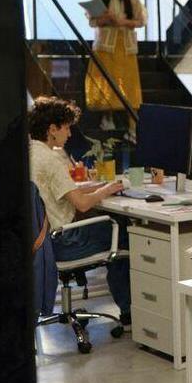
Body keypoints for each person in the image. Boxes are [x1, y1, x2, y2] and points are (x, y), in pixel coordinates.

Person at [27, 95, 132, 324]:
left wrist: (99, 186)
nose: (69, 134)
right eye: (66, 128)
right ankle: (129, 313)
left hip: (44, 243)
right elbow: (82, 204)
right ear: (52, 129)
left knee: (113, 228)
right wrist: (107, 190)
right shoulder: (51, 159)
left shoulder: (30, 154)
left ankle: (129, 310)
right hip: (63, 243)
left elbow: (66, 191)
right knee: (125, 232)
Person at [85, 0, 146, 130]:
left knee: (129, 84)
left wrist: (123, 22)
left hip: (126, 46)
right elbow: (93, 22)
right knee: (106, 82)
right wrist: (106, 19)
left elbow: (141, 21)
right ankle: (107, 117)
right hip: (104, 46)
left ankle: (133, 125)